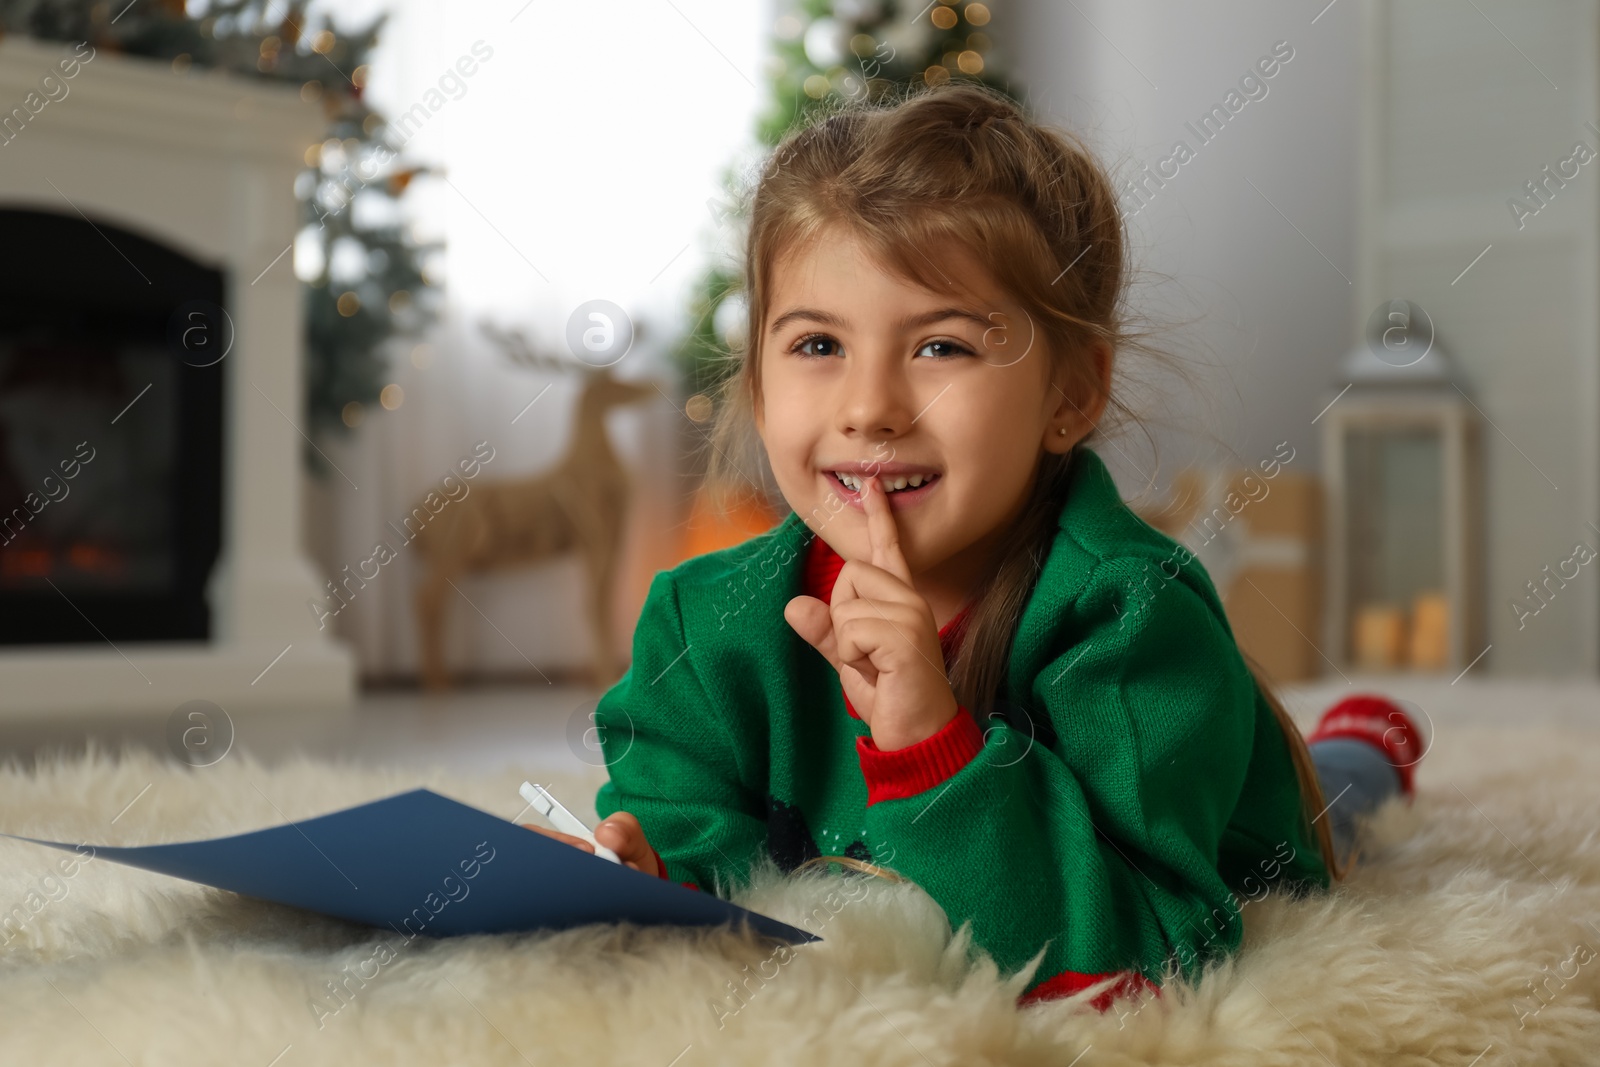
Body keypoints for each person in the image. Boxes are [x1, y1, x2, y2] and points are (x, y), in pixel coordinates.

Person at [525, 82, 1429, 1011]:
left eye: (943, 348)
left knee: (1341, 804)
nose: (869, 406)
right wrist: (649, 872)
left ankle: (1362, 742)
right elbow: (703, 854)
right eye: (817, 345)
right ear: (756, 382)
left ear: (1072, 394)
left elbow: (1149, 951)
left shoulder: (1131, 617)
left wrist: (932, 746)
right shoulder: (700, 620)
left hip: (1220, 802)